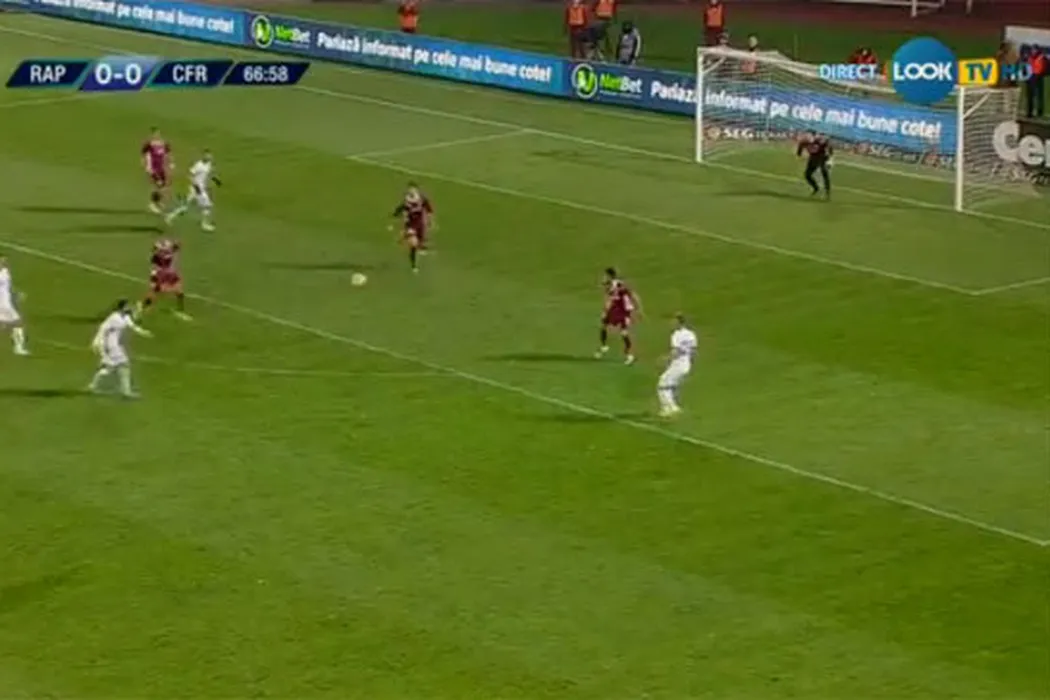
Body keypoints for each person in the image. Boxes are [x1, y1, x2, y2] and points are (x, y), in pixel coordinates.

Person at [88, 299, 152, 399]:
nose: (129, 307)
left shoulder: (125, 317)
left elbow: (133, 326)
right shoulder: (113, 317)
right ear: (122, 307)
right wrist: (97, 341)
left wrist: (144, 333)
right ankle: (126, 392)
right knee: (124, 365)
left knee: (110, 367)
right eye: (127, 306)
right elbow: (103, 328)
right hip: (110, 344)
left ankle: (93, 385)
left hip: (117, 344)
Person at [165, 150, 220, 231]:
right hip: (196, 188)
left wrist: (216, 180)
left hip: (200, 188)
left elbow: (209, 173)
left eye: (209, 156)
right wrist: (196, 186)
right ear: (203, 156)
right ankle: (204, 224)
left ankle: (170, 216)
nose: (208, 157)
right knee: (207, 206)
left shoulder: (208, 164)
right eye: (207, 155)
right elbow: (190, 175)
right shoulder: (198, 165)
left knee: (185, 207)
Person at [656, 314, 698, 417]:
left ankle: (667, 409)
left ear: (679, 322)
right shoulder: (691, 334)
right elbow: (693, 351)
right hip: (686, 364)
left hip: (678, 364)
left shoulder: (676, 335)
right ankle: (674, 407)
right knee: (671, 385)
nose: (671, 324)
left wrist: (665, 359)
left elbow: (676, 351)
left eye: (673, 322)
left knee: (662, 385)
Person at [596, 267, 640, 365]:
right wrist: (606, 310)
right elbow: (609, 299)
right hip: (614, 309)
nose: (603, 277)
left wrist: (638, 308)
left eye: (605, 275)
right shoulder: (608, 285)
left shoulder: (619, 285)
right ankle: (604, 346)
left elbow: (632, 294)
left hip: (624, 310)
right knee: (603, 325)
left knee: (624, 333)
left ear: (610, 276)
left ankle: (630, 356)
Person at [392, 183, 434, 273]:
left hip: (420, 224)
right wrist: (396, 217)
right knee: (413, 244)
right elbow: (400, 210)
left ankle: (419, 246)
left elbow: (429, 210)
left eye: (413, 189)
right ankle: (414, 265)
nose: (411, 191)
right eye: (409, 189)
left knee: (420, 241)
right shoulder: (407, 201)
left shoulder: (422, 199)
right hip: (410, 225)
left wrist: (430, 221)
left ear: (416, 190)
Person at [0, 256, 29, 356]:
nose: (4, 262)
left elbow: (8, 287)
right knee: (18, 323)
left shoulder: (5, 272)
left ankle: (18, 347)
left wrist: (15, 294)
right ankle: (18, 348)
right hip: (3, 304)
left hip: (5, 303)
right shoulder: (3, 274)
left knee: (7, 325)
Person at [141, 127, 172, 214]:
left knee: (163, 186)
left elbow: (168, 153)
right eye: (155, 134)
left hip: (161, 168)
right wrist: (146, 166)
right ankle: (152, 204)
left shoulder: (163, 144)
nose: (156, 135)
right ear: (152, 134)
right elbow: (143, 155)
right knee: (158, 184)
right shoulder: (149, 144)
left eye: (158, 133)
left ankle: (157, 202)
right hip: (153, 168)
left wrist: (170, 163)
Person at [797, 131, 832, 199]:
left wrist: (830, 158)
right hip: (813, 158)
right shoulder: (804, 141)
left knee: (824, 173)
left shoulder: (819, 140)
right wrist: (799, 154)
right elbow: (800, 147)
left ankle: (827, 192)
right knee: (807, 175)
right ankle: (816, 188)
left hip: (822, 157)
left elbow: (828, 144)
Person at [1025, 46, 1046, 119]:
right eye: (1032, 50)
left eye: (1034, 50)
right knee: (1030, 96)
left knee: (1039, 96)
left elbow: (1041, 68)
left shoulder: (1041, 57)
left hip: (1038, 78)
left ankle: (1039, 112)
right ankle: (1030, 112)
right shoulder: (1030, 57)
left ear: (1037, 50)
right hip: (1031, 77)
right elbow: (1027, 67)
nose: (1033, 51)